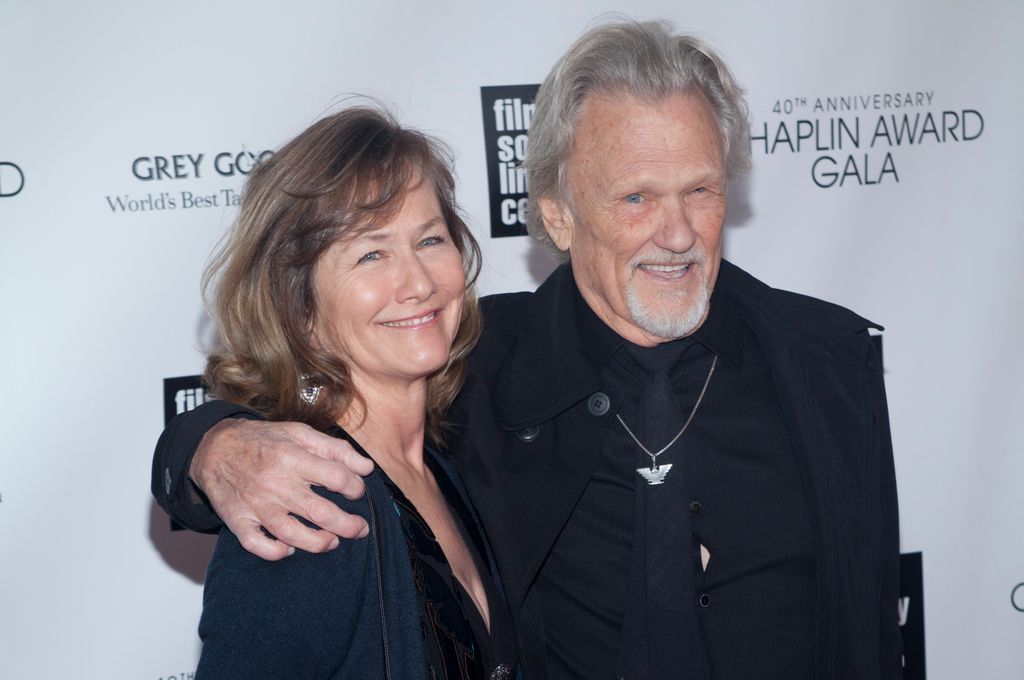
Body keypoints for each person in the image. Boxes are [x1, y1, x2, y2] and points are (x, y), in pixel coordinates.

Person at [155, 20, 901, 680]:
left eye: (700, 191)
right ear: (558, 215)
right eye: (636, 197)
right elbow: (298, 415)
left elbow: (871, 629)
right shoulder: (471, 368)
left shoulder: (823, 368)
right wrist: (212, 446)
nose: (677, 234)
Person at [183, 105, 517, 679]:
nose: (418, 282)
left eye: (430, 239)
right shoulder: (305, 504)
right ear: (302, 309)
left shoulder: (443, 470)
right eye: (371, 254)